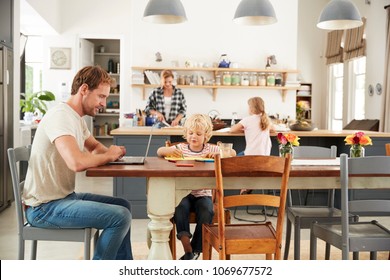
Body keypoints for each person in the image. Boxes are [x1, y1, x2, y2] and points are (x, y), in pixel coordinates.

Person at [23, 66, 133, 260]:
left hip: (64, 197)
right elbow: (76, 162)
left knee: (123, 205)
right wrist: (108, 156)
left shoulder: (76, 119)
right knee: (120, 217)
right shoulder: (61, 116)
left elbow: (96, 148)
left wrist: (110, 153)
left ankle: (123, 266)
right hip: (44, 208)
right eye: (101, 96)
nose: (103, 103)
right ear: (83, 90)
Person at [157, 114, 229, 260]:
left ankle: (195, 251)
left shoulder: (211, 149)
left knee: (207, 210)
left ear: (206, 135)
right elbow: (159, 151)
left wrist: (220, 153)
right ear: (186, 133)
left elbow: (231, 153)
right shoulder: (181, 148)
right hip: (183, 192)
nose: (193, 137)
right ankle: (187, 248)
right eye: (190, 133)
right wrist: (169, 151)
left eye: (198, 134)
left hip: (203, 193)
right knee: (179, 207)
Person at [230, 96, 274, 194]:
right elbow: (274, 130)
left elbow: (232, 129)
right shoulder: (266, 120)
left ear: (251, 108)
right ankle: (248, 184)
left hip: (250, 157)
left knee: (231, 162)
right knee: (247, 162)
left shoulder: (247, 120)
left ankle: (246, 185)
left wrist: (244, 129)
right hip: (266, 158)